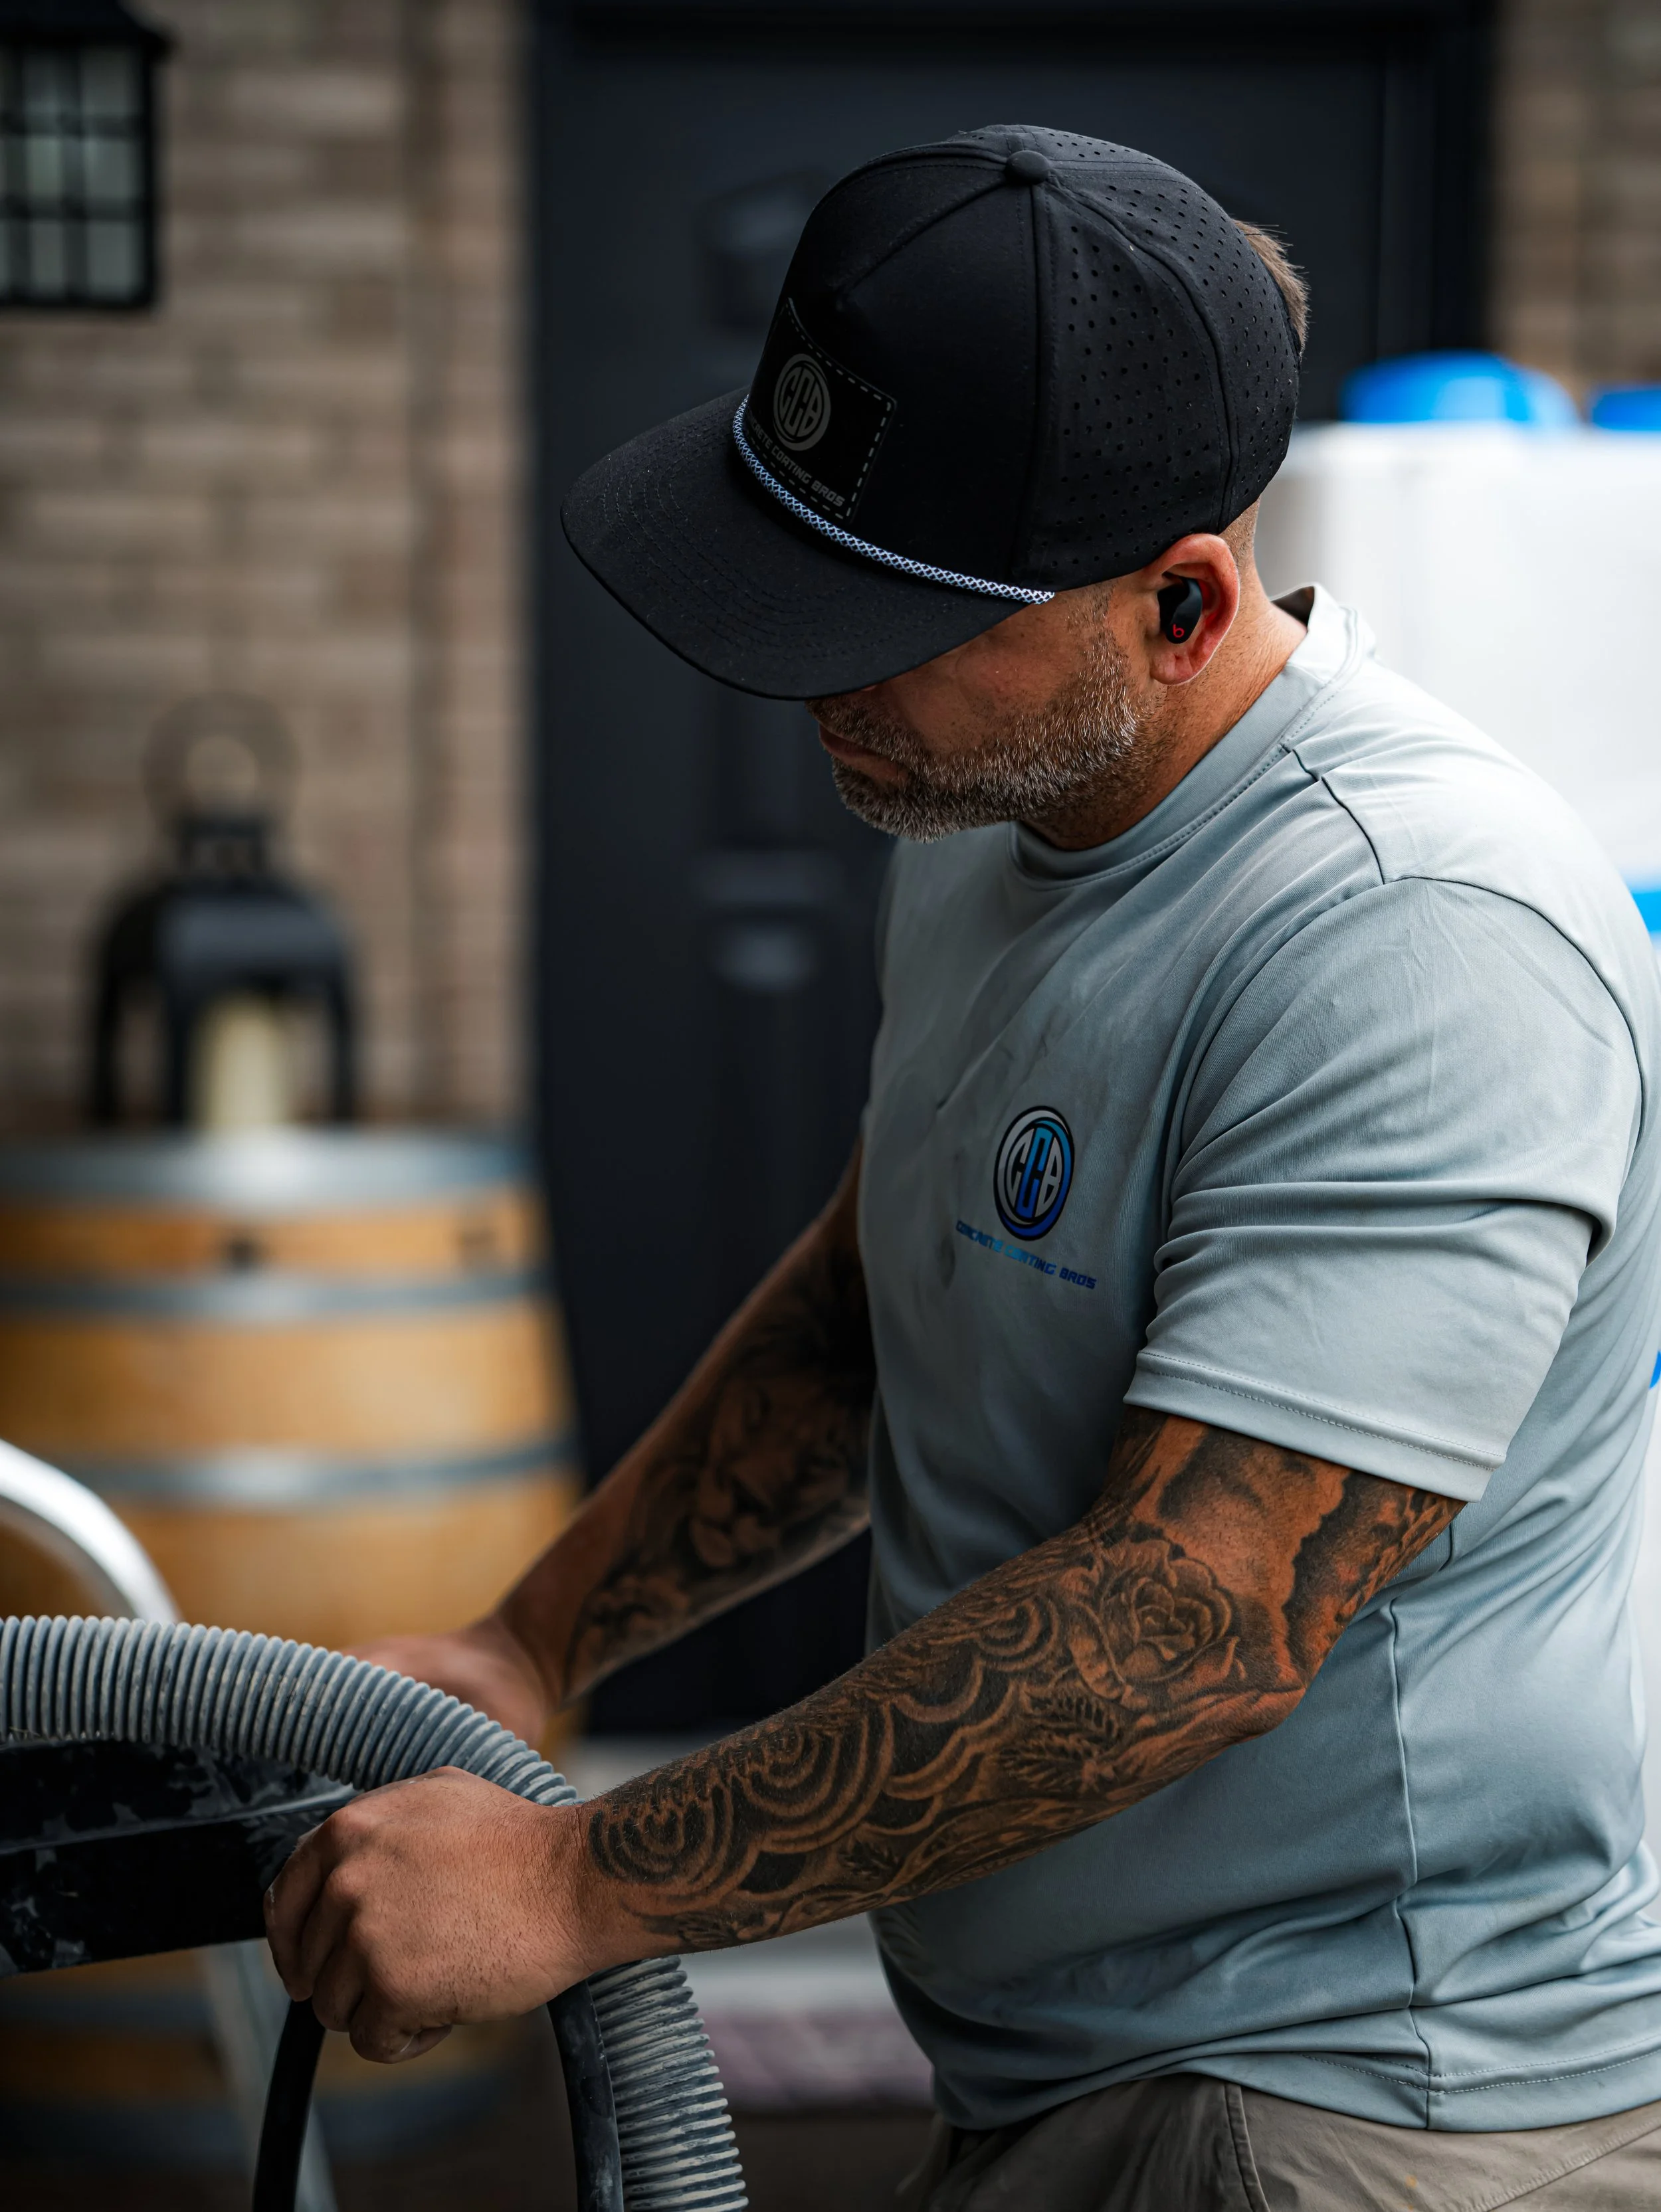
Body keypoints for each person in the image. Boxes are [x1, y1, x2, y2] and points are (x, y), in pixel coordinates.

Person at [265, 128, 1661, 2207]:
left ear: (1179, 603)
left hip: (1340, 2105)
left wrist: (581, 1878)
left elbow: (1205, 1611)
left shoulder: (1417, 935)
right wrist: (535, 1642)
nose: (815, 684)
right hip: (1073, 2065)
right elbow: (884, 1288)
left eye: (889, 624)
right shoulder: (1007, 796)